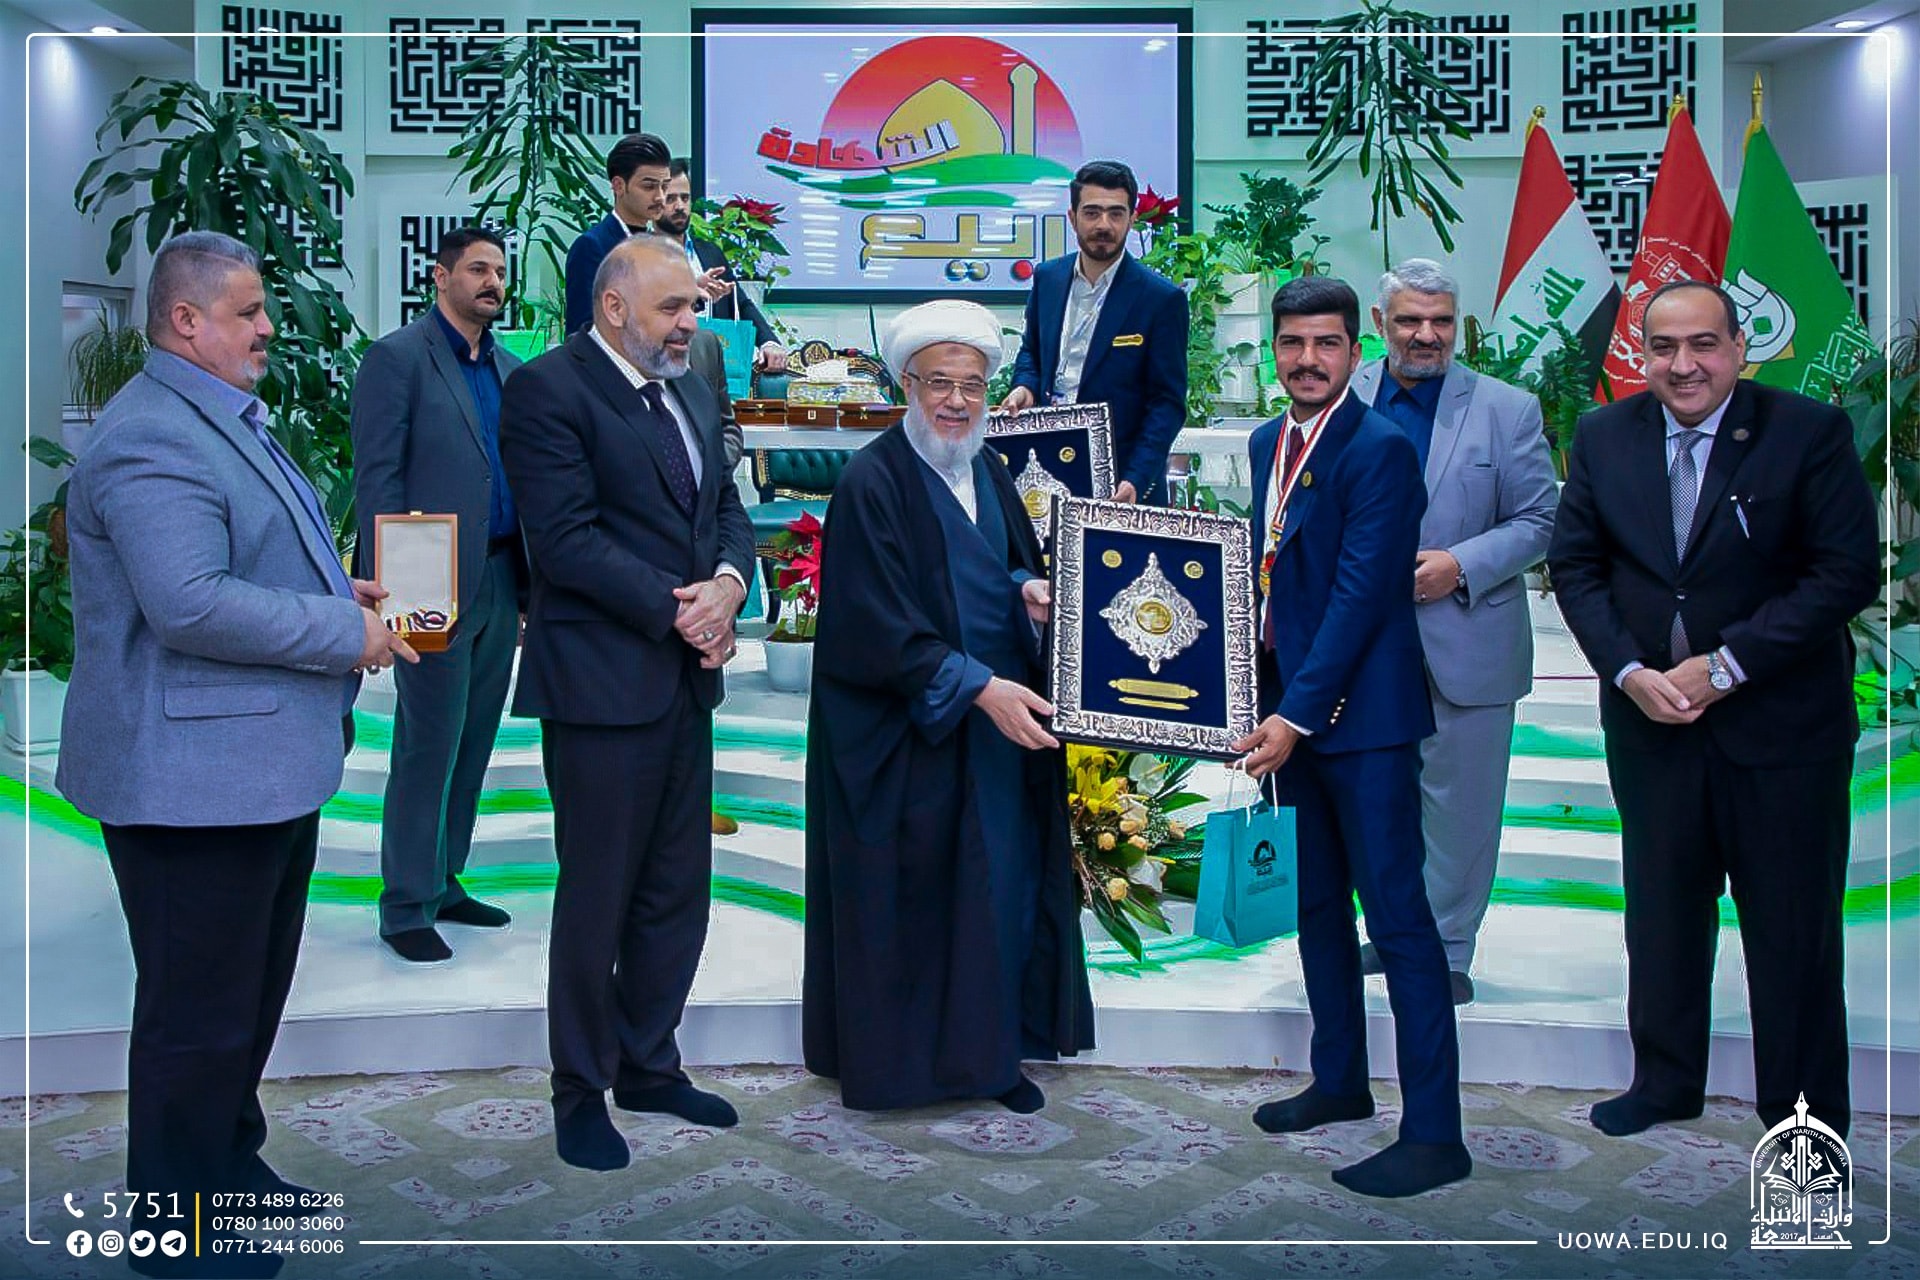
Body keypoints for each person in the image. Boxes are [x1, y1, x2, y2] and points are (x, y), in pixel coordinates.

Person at [57, 231, 416, 1278]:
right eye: (249, 311)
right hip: (189, 784)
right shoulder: (152, 437)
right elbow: (191, 604)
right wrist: (345, 630)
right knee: (196, 1018)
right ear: (186, 321)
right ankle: (176, 1231)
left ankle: (228, 1172)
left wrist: (332, 591)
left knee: (242, 1003)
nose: (267, 328)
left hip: (249, 774)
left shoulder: (213, 415)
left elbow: (235, 561)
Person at [1547, 279, 1877, 1140]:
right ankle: (1664, 1083)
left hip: (1782, 733)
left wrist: (1725, 667)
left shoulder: (1807, 432)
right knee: (1661, 917)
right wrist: (1628, 670)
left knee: (1793, 933)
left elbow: (1845, 573)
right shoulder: (1604, 434)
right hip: (1650, 725)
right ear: (1641, 355)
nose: (1683, 365)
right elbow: (1575, 567)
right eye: (1663, 347)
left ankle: (1803, 1121)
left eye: (1703, 344)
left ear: (1738, 348)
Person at [499, 234, 755, 1171]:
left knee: (676, 891)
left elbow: (724, 507)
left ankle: (649, 1063)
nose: (691, 323)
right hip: (601, 687)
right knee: (597, 898)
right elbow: (564, 542)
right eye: (672, 308)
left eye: (692, 306)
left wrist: (728, 585)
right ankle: (579, 1088)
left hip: (685, 680)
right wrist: (683, 612)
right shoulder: (548, 390)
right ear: (613, 308)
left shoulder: (692, 384)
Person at [802, 299, 1094, 1113]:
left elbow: (996, 567)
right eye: (939, 384)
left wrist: (1026, 590)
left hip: (995, 731)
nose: (957, 402)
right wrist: (975, 687)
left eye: (972, 386)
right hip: (910, 739)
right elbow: (872, 624)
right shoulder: (872, 481)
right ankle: (907, 1071)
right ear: (907, 385)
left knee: (999, 891)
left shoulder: (988, 469)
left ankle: (994, 1059)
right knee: (922, 902)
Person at [1232, 276, 1470, 1199]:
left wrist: (1294, 716)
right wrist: (1244, 697)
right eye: (1292, 343)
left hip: (1361, 724)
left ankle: (1436, 1133)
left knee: (1399, 922)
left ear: (1354, 350)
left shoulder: (1381, 450)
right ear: (1274, 351)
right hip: (1288, 716)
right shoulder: (1267, 442)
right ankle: (1339, 1080)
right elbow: (1271, 583)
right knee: (1317, 907)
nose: (1308, 360)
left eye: (1326, 343)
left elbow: (1361, 596)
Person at [1348, 259, 1559, 1003]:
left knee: (1462, 808)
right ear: (1381, 324)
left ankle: (1448, 949)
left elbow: (1540, 521)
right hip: (1362, 642)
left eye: (1440, 321)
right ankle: (1394, 932)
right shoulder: (1342, 397)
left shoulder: (1508, 409)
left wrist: (1460, 565)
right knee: (1380, 799)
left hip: (1466, 634)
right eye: (1410, 320)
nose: (1427, 335)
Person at [351, 226, 525, 964]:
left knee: (475, 739)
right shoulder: (397, 359)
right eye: (478, 269)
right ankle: (404, 903)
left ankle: (445, 878)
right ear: (440, 277)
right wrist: (381, 595)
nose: (493, 282)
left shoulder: (512, 369)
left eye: (500, 272)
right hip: (423, 576)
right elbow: (377, 478)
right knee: (428, 743)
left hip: (501, 576)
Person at [1001, 159, 1187, 504]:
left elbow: (1167, 404)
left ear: (1132, 219)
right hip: (1047, 465)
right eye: (1092, 213)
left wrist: (1136, 479)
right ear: (1072, 217)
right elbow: (1032, 351)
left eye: (1116, 214)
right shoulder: (1048, 278)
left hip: (1122, 482)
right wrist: (1024, 386)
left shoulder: (1160, 299)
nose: (1104, 225)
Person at [658, 156, 789, 374]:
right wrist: (692, 291)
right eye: (670, 199)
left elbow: (741, 304)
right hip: (666, 369)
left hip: (715, 371)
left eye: (685, 198)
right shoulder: (641, 256)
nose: (680, 206)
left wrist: (769, 342)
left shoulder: (710, 253)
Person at [562, 132, 673, 337]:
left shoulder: (661, 247)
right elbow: (581, 332)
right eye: (649, 186)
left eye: (665, 186)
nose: (660, 196)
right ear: (619, 186)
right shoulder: (592, 246)